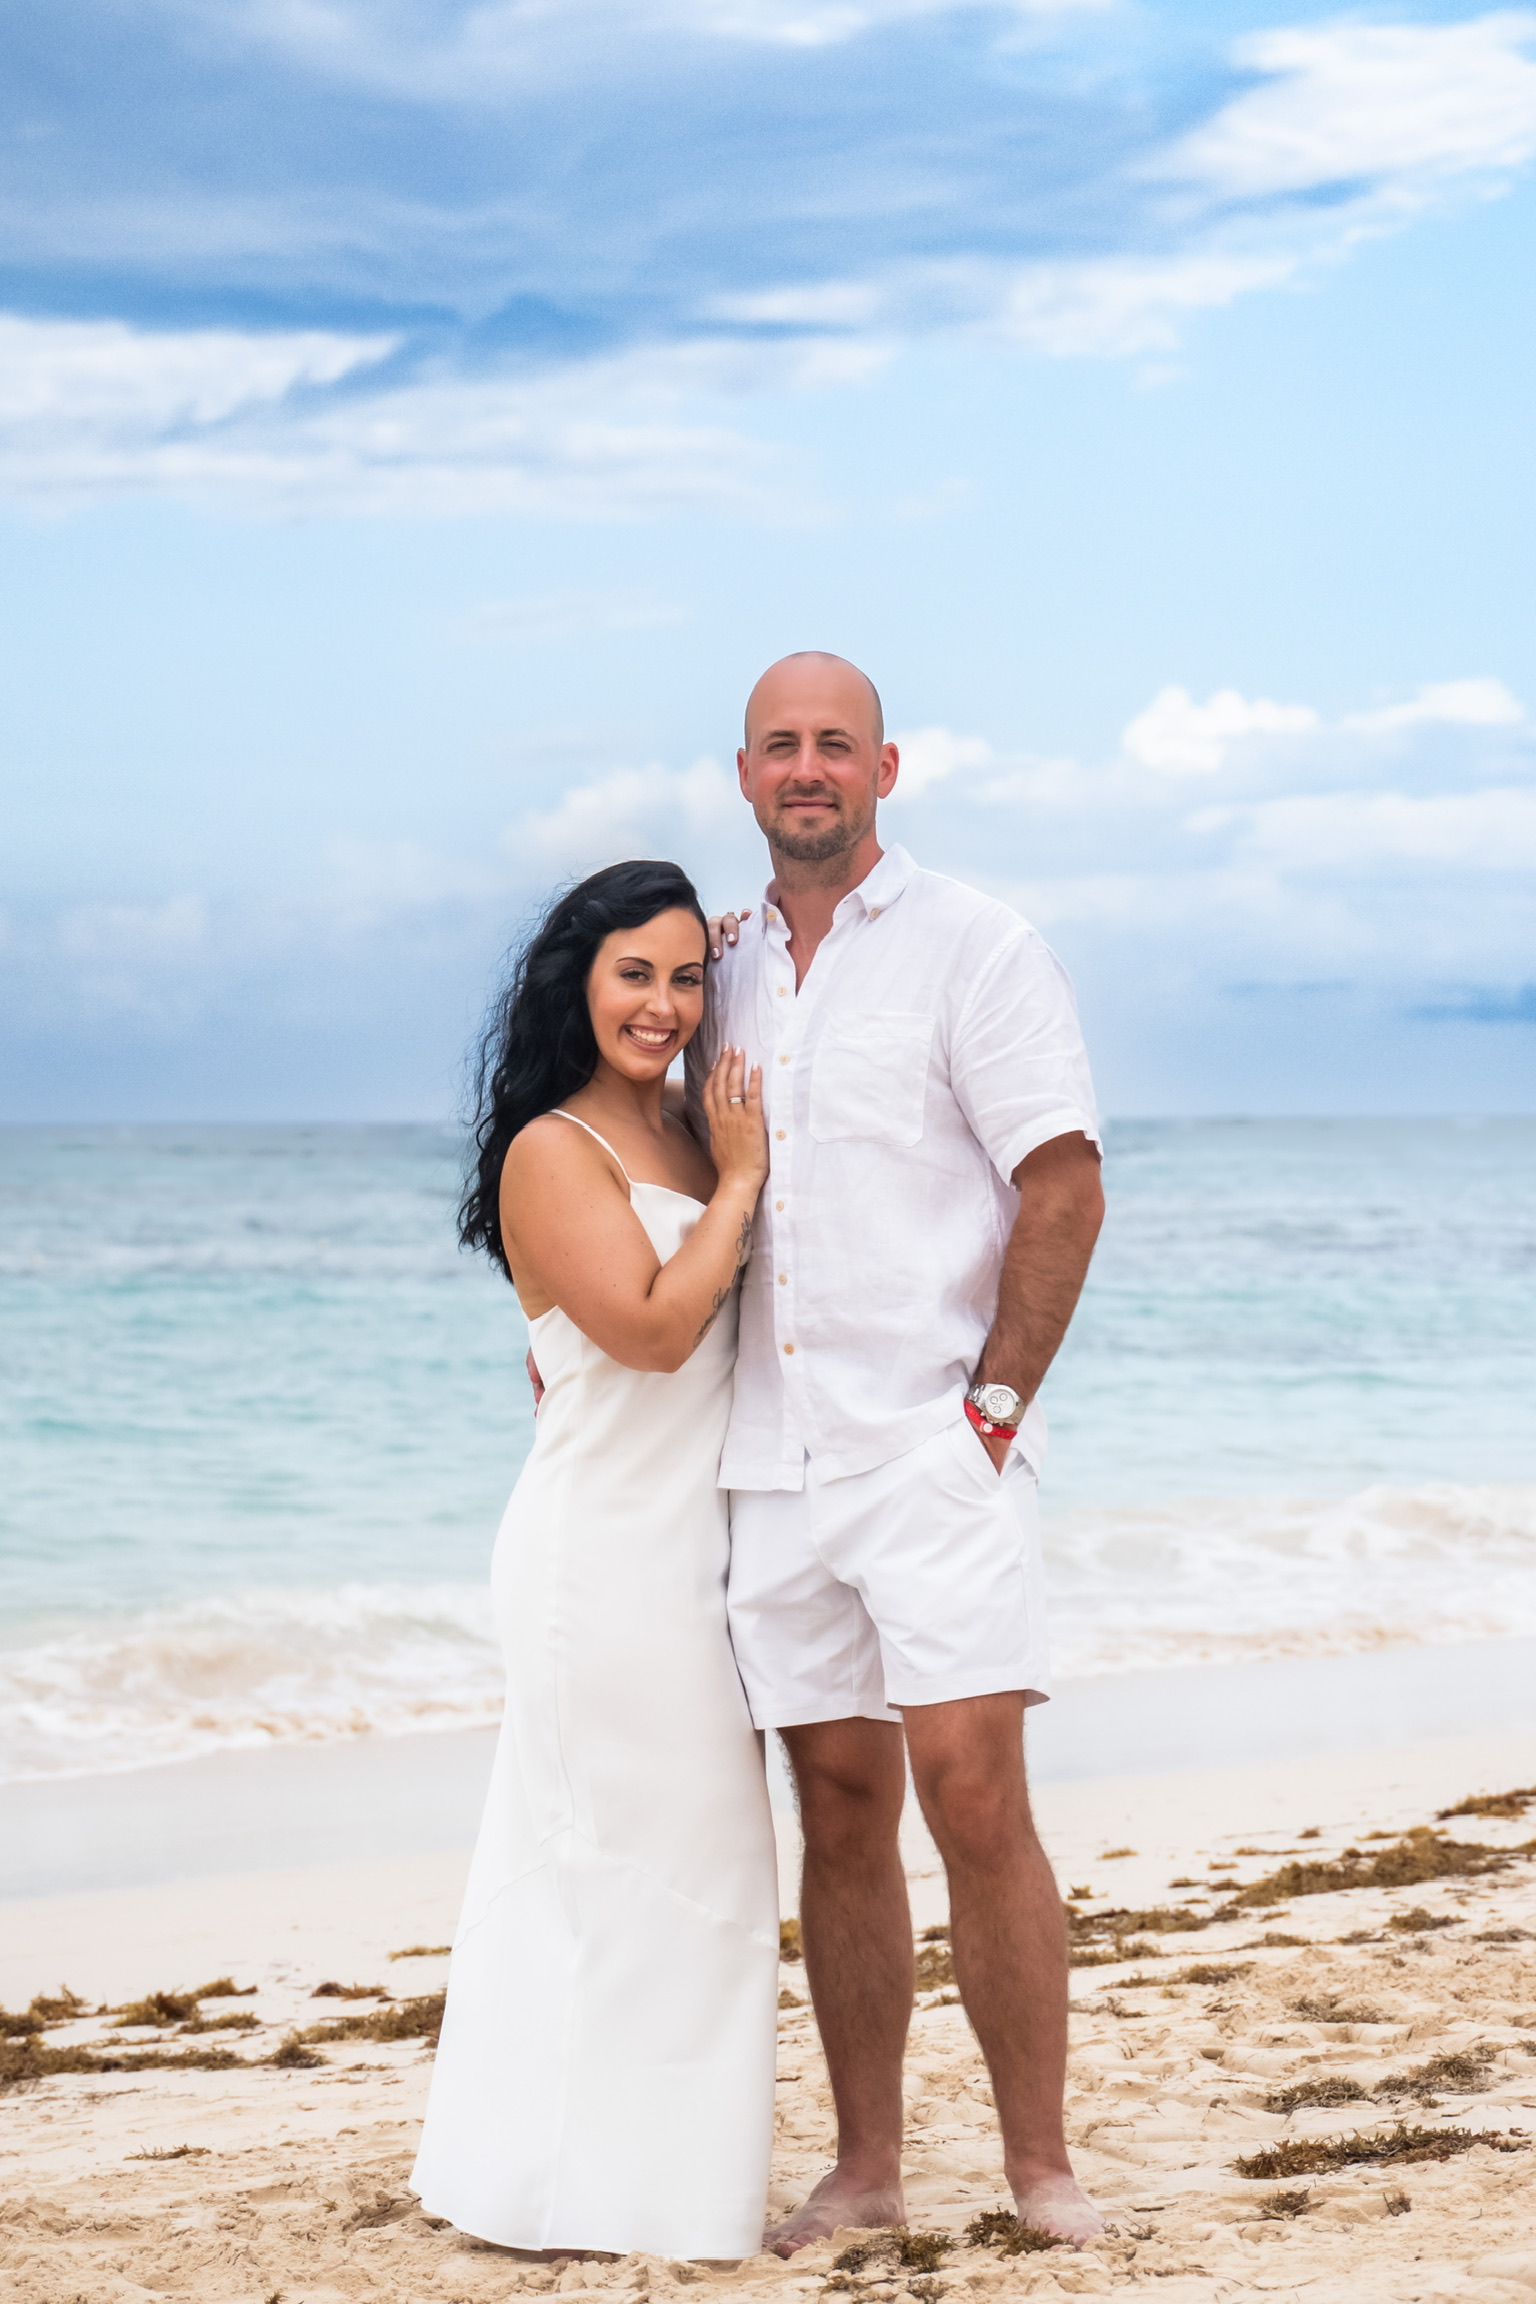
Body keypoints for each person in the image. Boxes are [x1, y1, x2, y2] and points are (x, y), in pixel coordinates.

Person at [688, 652, 1106, 2252]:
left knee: (974, 1793)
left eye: (837, 746)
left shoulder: (977, 948)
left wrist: (989, 1417)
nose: (810, 769)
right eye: (782, 747)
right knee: (840, 1806)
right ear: (742, 776)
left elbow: (1061, 1185)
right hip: (766, 1461)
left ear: (888, 769)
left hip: (932, 1448)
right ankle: (867, 2168)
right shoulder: (711, 966)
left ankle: (1039, 2168)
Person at [411, 859, 780, 2261]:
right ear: (578, 978)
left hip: (699, 1548)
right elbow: (650, 1329)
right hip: (599, 1560)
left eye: (689, 977)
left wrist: (747, 958)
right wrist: (748, 1179)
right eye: (636, 972)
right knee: (616, 1862)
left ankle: (650, 2188)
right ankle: (571, 2193)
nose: (665, 1003)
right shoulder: (554, 1150)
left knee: (702, 1868)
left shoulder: (694, 1121)